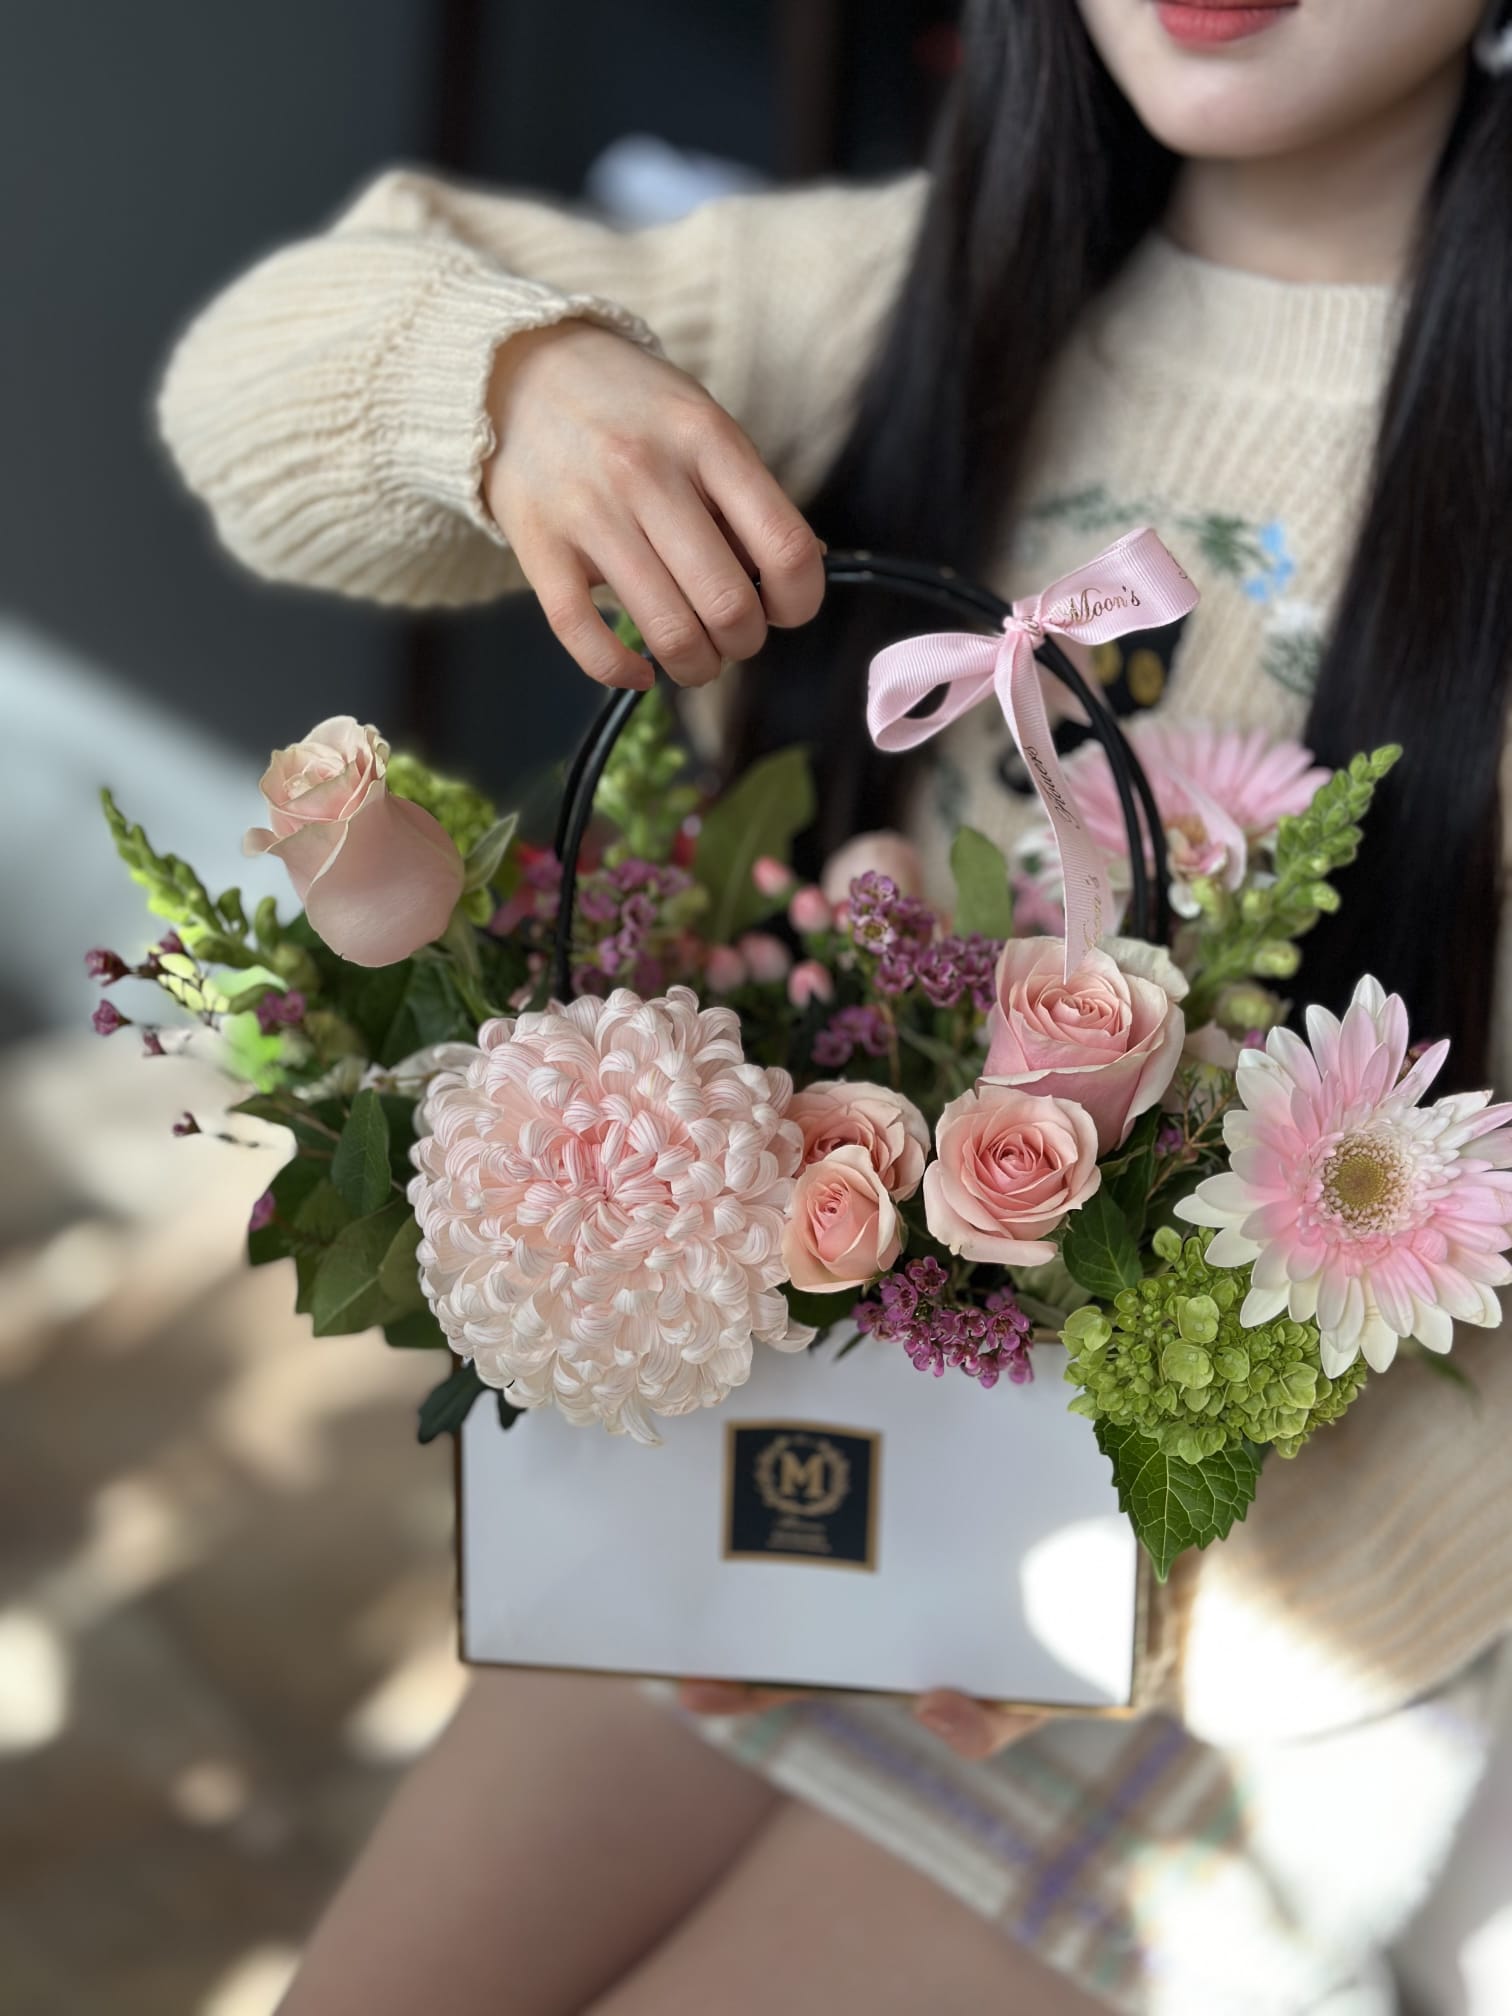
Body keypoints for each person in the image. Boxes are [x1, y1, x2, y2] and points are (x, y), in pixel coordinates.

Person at [157, 3, 1512, 2010]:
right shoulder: (899, 287)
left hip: (1278, 1625)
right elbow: (243, 404)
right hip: (811, 1467)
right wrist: (518, 383)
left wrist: (1139, 1592)